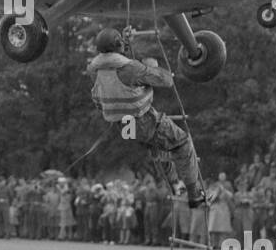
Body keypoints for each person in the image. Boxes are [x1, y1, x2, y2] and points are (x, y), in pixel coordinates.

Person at [86, 28, 206, 210]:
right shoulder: (130, 69)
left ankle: (174, 184)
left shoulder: (94, 70)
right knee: (181, 143)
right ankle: (194, 194)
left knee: (157, 147)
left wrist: (130, 45)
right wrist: (153, 66)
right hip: (142, 120)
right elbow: (166, 81)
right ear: (118, 45)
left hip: (123, 127)